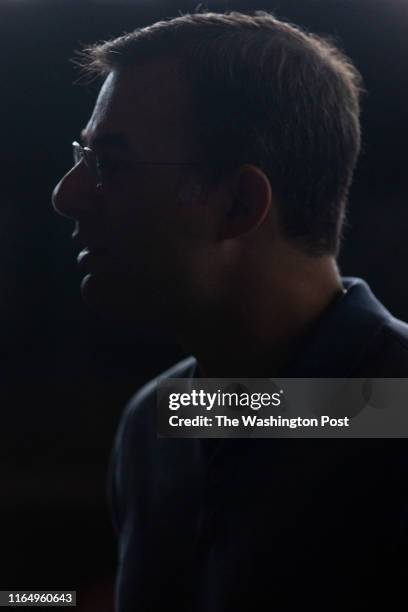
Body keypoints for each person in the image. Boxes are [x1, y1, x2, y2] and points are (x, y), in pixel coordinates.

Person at [52, 11, 408, 611]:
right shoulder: (154, 427)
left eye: (109, 164)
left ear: (239, 203)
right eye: (82, 157)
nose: (67, 194)